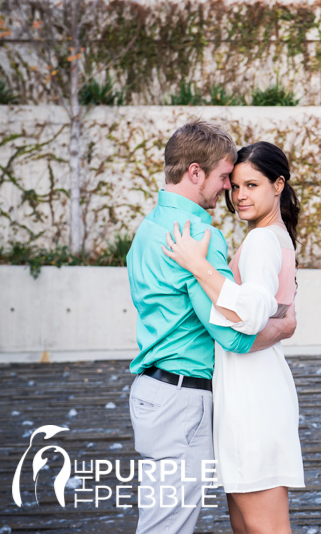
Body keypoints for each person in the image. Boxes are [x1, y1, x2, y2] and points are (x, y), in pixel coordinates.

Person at [126, 123, 296, 534]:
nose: (230, 191)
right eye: (226, 179)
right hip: (183, 400)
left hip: (150, 393)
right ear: (197, 172)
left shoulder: (148, 229)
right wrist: (284, 326)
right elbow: (233, 335)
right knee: (167, 526)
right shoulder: (198, 235)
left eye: (244, 183)